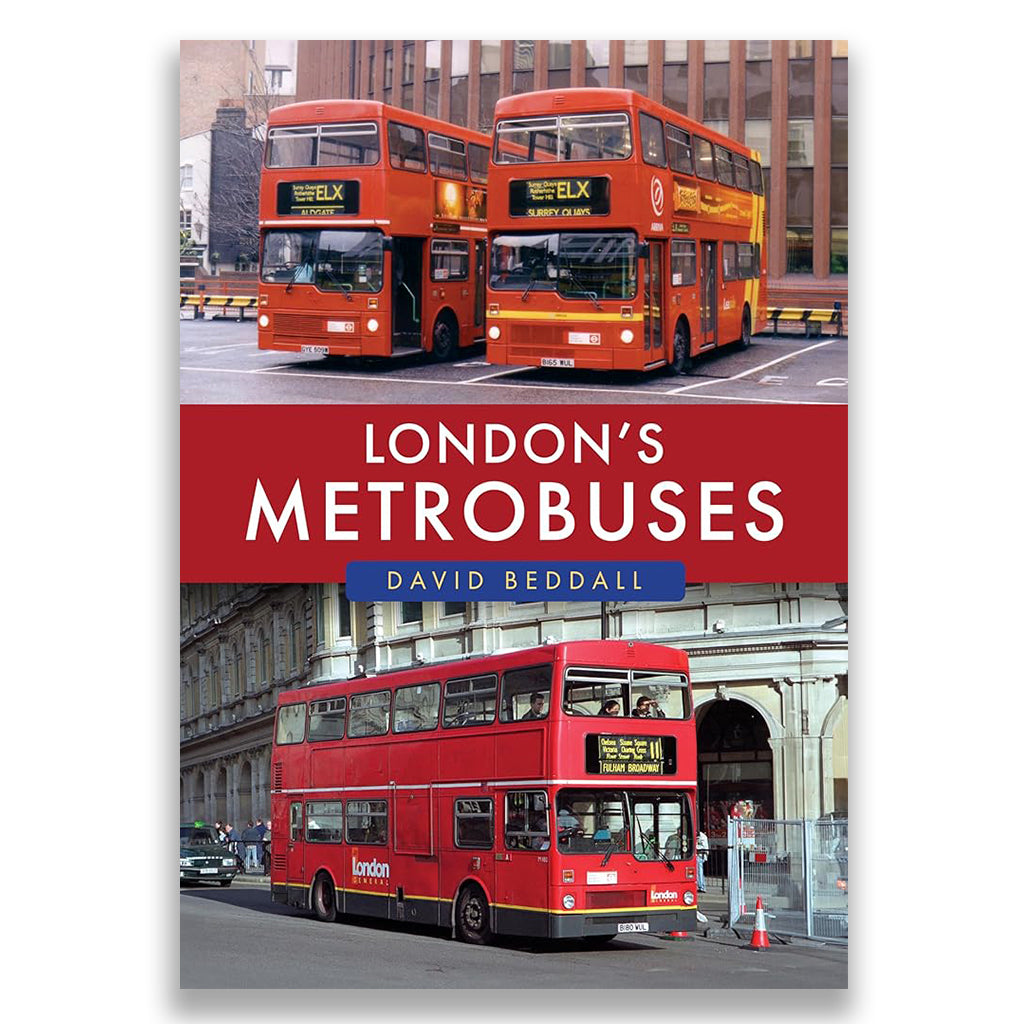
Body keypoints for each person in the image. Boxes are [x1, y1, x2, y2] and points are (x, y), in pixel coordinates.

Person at [696, 828, 709, 892]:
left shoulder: (702, 837)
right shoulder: (700, 836)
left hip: (700, 855)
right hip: (699, 855)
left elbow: (703, 847)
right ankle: (701, 885)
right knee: (699, 871)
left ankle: (701, 886)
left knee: (699, 871)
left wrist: (695, 847)